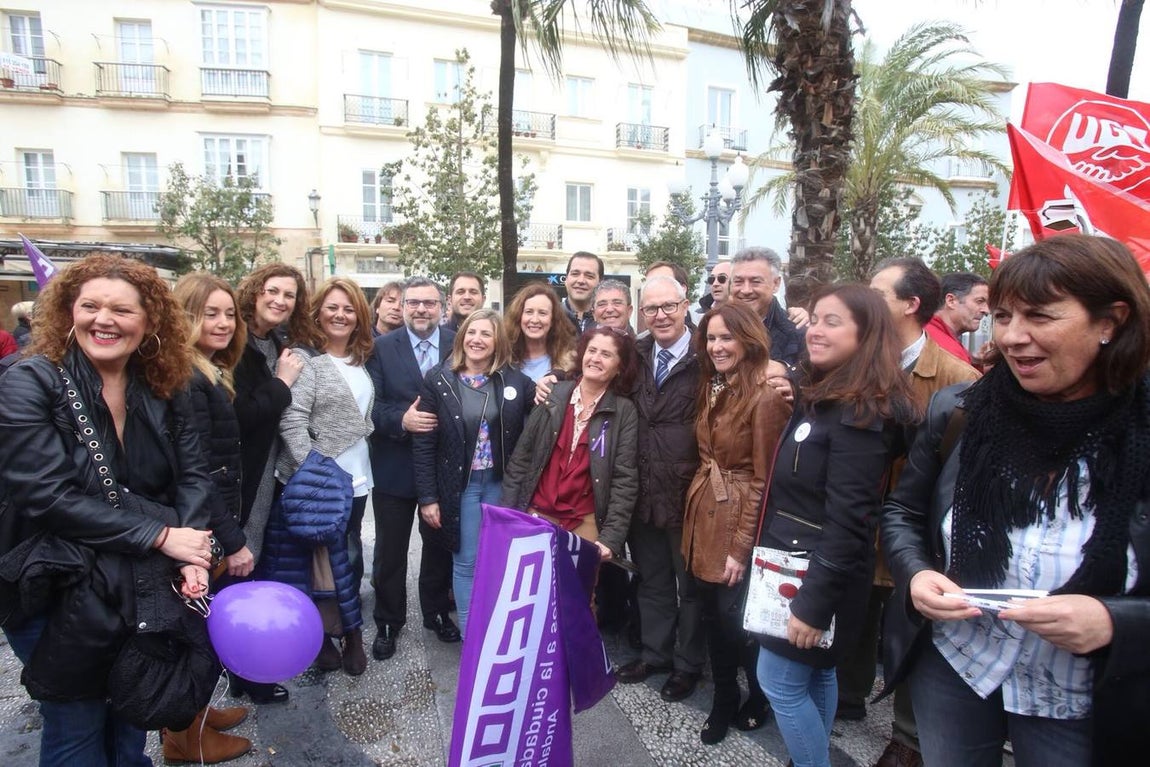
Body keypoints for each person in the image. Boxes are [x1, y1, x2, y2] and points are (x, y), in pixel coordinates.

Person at [881, 235, 1150, 767]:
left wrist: (1116, 622)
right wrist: (915, 573)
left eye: (1040, 316)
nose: (1013, 337)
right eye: (1001, 316)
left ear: (1111, 321)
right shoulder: (959, 410)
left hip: (1083, 698)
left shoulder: (1139, 431)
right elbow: (904, 513)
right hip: (956, 669)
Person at [0, 254, 216, 767]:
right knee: (77, 728)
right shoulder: (29, 381)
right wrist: (163, 539)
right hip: (51, 584)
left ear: (150, 321)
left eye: (122, 310)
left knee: (130, 714)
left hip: (132, 582)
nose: (104, 320)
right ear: (67, 312)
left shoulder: (167, 384)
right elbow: (47, 496)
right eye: (90, 306)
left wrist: (191, 552)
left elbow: (192, 476)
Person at [756, 284, 919, 767]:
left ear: (866, 335)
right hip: (795, 565)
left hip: (815, 578)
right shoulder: (826, 394)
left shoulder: (860, 414)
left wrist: (811, 606)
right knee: (817, 674)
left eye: (833, 322)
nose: (816, 331)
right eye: (816, 319)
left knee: (779, 684)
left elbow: (850, 522)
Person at [829, 258, 978, 767]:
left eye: (879, 293)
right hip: (857, 523)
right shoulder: (854, 361)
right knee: (854, 611)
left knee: (913, 624)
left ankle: (908, 738)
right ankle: (846, 698)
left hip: (916, 531)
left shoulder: (957, 377)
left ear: (911, 305)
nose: (866, 301)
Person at [682, 301, 792, 745]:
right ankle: (725, 696)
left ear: (748, 339)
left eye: (727, 337)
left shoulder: (766, 393)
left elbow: (767, 478)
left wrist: (740, 547)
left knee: (738, 623)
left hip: (738, 516)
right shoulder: (714, 384)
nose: (717, 346)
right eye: (711, 338)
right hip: (706, 509)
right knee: (713, 614)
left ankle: (758, 695)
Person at [264, 277, 374, 677]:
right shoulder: (304, 360)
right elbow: (291, 421)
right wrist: (313, 469)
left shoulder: (363, 359)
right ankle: (324, 637)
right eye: (332, 307)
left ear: (359, 316)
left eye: (348, 309)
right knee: (317, 563)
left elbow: (361, 418)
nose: (340, 315)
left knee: (350, 558)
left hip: (359, 479)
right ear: (317, 312)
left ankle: (350, 630)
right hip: (320, 483)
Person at [169, 272, 254, 764]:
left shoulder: (208, 369)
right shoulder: (186, 377)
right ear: (185, 318)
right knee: (194, 636)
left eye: (229, 313)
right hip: (201, 529)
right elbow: (196, 469)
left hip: (206, 523)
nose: (223, 323)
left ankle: (195, 718)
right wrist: (232, 538)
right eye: (210, 313)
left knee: (198, 633)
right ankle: (187, 740)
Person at [413, 309, 535, 637]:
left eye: (486, 334)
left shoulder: (514, 381)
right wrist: (428, 498)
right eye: (471, 332)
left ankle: (498, 631)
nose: (476, 340)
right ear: (462, 337)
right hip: (460, 488)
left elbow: (541, 417)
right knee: (466, 562)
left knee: (496, 559)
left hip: (499, 484)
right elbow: (424, 444)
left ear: (497, 343)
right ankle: (473, 637)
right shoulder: (439, 380)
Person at [616, 276, 707, 703]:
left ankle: (688, 665)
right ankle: (656, 654)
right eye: (651, 309)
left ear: (685, 305)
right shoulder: (634, 353)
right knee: (652, 580)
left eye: (669, 306)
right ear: (641, 313)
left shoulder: (708, 353)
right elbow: (590, 371)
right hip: (642, 489)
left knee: (690, 587)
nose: (661, 316)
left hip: (688, 492)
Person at [231, 263, 313, 704]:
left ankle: (243, 666)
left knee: (253, 565)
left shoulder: (279, 342)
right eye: (273, 291)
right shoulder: (235, 342)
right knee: (236, 568)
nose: (281, 301)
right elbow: (241, 415)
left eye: (290, 295)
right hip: (241, 474)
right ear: (254, 292)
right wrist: (282, 382)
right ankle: (243, 669)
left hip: (268, 472)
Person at [367, 277, 459, 661]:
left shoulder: (459, 343)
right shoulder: (380, 348)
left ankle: (436, 611)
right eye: (414, 303)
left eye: (430, 303)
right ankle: (389, 619)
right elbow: (371, 405)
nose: (422, 309)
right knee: (391, 548)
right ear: (402, 306)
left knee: (438, 544)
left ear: (443, 307)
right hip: (394, 464)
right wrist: (400, 420)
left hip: (442, 466)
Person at [502, 326, 640, 565]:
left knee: (580, 597)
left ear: (620, 367)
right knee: (535, 594)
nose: (595, 358)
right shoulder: (552, 395)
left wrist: (611, 538)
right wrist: (507, 514)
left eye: (606, 355)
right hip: (539, 513)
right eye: (592, 350)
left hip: (585, 521)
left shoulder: (624, 411)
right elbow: (521, 459)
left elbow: (624, 480)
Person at [729, 247, 805, 366]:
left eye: (756, 281)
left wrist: (789, 374)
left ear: (776, 284)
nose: (746, 290)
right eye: (738, 281)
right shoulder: (716, 327)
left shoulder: (797, 332)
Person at [506, 282, 576, 383]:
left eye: (542, 313)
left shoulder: (570, 360)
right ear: (519, 316)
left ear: (553, 320)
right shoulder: (503, 357)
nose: (535, 320)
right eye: (529, 312)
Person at [925, 272, 988, 366]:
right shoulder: (948, 352)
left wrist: (975, 362)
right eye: (979, 301)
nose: (986, 311)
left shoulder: (924, 333)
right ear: (951, 301)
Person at [562, 252, 603, 334]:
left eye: (589, 276)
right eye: (575, 274)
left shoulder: (608, 320)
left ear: (600, 282)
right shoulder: (550, 316)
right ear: (566, 279)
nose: (581, 281)